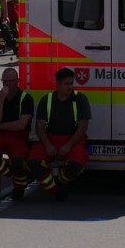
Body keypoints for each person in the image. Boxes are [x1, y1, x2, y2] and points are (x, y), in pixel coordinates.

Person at [28, 66, 91, 201]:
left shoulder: (80, 99)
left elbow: (82, 128)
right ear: (57, 83)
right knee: (33, 163)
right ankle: (55, 190)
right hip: (50, 138)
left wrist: (68, 146)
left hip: (73, 140)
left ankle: (60, 182)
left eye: (71, 83)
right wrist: (47, 145)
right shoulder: (47, 100)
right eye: (66, 84)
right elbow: (39, 127)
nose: (70, 87)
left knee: (76, 166)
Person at [0, 68, 34, 191]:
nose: (7, 84)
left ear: (17, 81)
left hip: (18, 137)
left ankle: (19, 188)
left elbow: (21, 125)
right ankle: (13, 174)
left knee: (18, 162)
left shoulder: (25, 98)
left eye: (10, 81)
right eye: (4, 81)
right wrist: (1, 99)